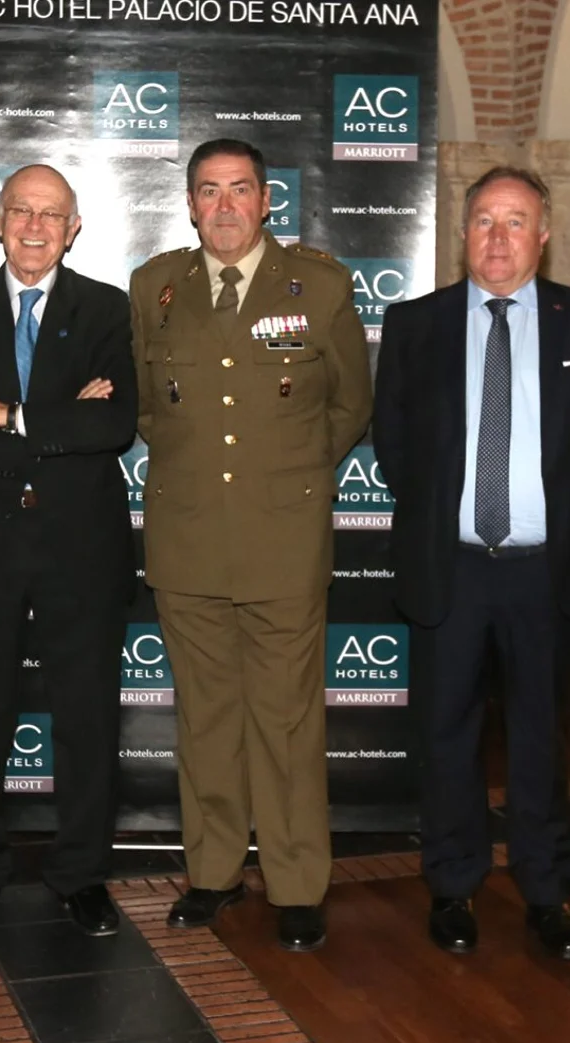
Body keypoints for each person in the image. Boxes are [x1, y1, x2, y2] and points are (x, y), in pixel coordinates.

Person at [372, 166, 570, 961]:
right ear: (463, 231)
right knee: (446, 736)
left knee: (541, 738)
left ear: (543, 235)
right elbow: (393, 443)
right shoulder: (416, 323)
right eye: (484, 220)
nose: (498, 237)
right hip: (451, 567)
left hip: (546, 571)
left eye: (516, 222)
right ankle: (453, 885)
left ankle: (547, 892)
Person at [129, 138, 371, 951]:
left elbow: (348, 406)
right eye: (209, 191)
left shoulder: (322, 285)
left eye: (240, 190)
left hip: (281, 537)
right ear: (191, 204)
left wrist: (291, 475)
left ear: (268, 201)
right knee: (205, 719)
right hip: (188, 535)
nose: (225, 206)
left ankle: (298, 883)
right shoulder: (154, 288)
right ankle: (214, 872)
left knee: (287, 719)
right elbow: (148, 413)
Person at [0, 165, 137, 937]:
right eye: (22, 210)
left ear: (74, 228)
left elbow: (112, 427)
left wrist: (7, 417)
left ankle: (82, 876)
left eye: (52, 214)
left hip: (83, 546)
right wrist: (53, 424)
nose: (36, 226)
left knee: (86, 715)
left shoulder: (108, 308)